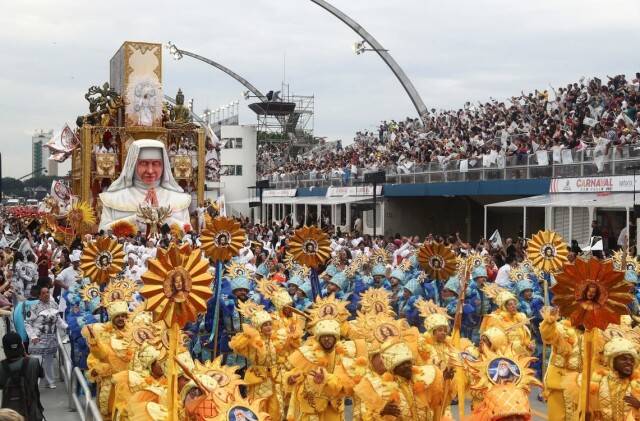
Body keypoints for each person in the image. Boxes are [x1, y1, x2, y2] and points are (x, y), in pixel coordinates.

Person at [98, 139, 191, 232]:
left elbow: (188, 231)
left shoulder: (179, 199)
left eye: (156, 163)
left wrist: (161, 216)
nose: (150, 171)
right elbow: (102, 232)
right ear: (133, 164)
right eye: (143, 163)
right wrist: (136, 218)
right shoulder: (114, 198)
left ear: (164, 165)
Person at [24, 286, 64, 389]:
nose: (46, 294)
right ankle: (34, 383)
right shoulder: (34, 307)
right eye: (44, 293)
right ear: (39, 295)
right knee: (36, 362)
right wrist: (32, 336)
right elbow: (27, 323)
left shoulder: (54, 304)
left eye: (47, 292)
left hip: (51, 338)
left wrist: (66, 327)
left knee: (49, 362)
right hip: (37, 339)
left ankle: (50, 381)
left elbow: (58, 319)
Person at [0, 332, 44, 421]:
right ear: (22, 345)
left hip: (9, 415)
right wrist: (26, 355)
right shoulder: (34, 362)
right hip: (32, 413)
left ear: (4, 348)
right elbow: (41, 374)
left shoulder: (1, 367)